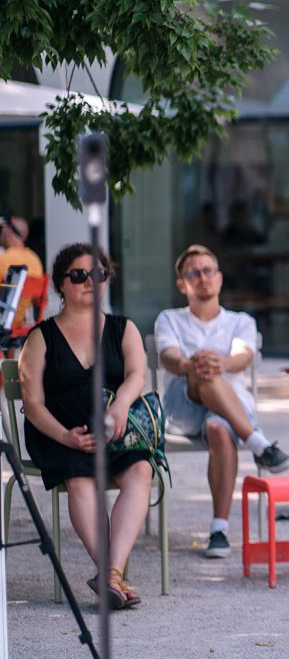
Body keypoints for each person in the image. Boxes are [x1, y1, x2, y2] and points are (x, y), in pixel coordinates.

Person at [16, 244, 152, 609]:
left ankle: (111, 575)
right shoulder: (40, 337)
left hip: (115, 431)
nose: (90, 281)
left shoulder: (123, 328)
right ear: (61, 283)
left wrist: (120, 406)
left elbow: (137, 375)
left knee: (140, 470)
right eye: (79, 275)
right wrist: (65, 436)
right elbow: (33, 404)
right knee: (80, 478)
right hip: (60, 434)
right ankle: (112, 575)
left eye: (99, 274)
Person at [155, 244, 289, 559]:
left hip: (229, 411)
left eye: (208, 271)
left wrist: (221, 363)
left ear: (219, 278)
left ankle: (219, 529)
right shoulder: (169, 318)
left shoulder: (240, 321)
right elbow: (170, 358)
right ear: (182, 284)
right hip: (184, 407)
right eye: (194, 273)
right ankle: (259, 444)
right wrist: (193, 364)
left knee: (219, 429)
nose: (203, 277)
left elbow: (243, 356)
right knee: (200, 370)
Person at [0, 215, 44, 326]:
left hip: (2, 320)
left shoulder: (3, 259)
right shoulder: (35, 260)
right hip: (19, 323)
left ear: (9, 231)